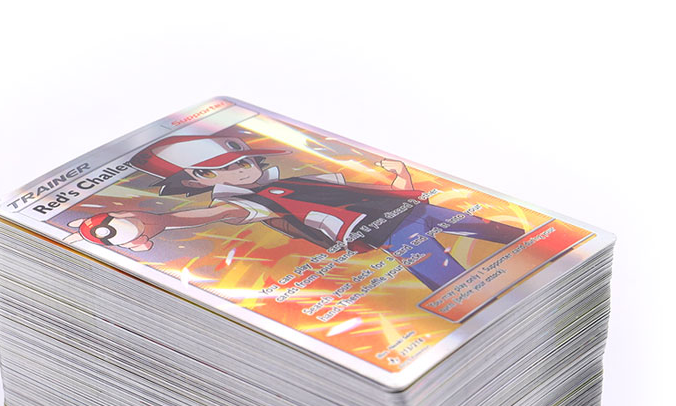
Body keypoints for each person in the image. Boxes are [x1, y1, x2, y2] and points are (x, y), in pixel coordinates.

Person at [68, 133, 523, 291]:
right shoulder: (253, 202)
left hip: (416, 208)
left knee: (511, 238)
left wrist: (399, 178)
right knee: (457, 285)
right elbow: (214, 216)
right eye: (215, 171)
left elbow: (358, 191)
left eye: (240, 162)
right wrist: (158, 221)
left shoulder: (294, 180)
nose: (240, 171)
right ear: (193, 182)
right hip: (392, 233)